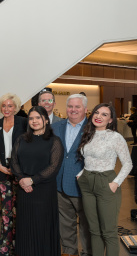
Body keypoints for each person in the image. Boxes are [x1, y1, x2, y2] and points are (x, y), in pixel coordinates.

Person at [76, 103, 133, 256]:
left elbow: (128, 163)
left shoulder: (115, 137)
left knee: (108, 232)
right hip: (87, 182)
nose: (99, 116)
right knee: (94, 230)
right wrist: (81, 174)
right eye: (97, 112)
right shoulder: (88, 133)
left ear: (110, 120)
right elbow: (88, 158)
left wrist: (115, 183)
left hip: (106, 182)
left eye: (104, 114)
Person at [10, 106, 64, 256]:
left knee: (42, 227)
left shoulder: (55, 141)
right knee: (25, 228)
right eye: (31, 118)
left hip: (44, 191)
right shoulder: (21, 139)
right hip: (24, 191)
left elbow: (54, 167)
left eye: (38, 118)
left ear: (46, 120)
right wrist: (22, 179)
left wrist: (32, 180)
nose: (34, 121)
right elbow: (14, 161)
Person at [51, 94, 92, 256]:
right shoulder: (56, 127)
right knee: (65, 224)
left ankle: (88, 252)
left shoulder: (93, 128)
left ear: (85, 109)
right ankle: (69, 252)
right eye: (70, 106)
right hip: (60, 184)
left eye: (77, 107)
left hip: (83, 186)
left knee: (86, 225)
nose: (73, 110)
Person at [0, 93, 28, 256]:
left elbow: (28, 147)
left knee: (20, 211)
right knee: (6, 212)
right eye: (4, 106)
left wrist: (17, 167)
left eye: (10, 106)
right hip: (2, 173)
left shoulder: (24, 123)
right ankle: (5, 248)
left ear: (16, 108)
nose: (6, 109)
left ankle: (20, 247)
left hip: (20, 173)